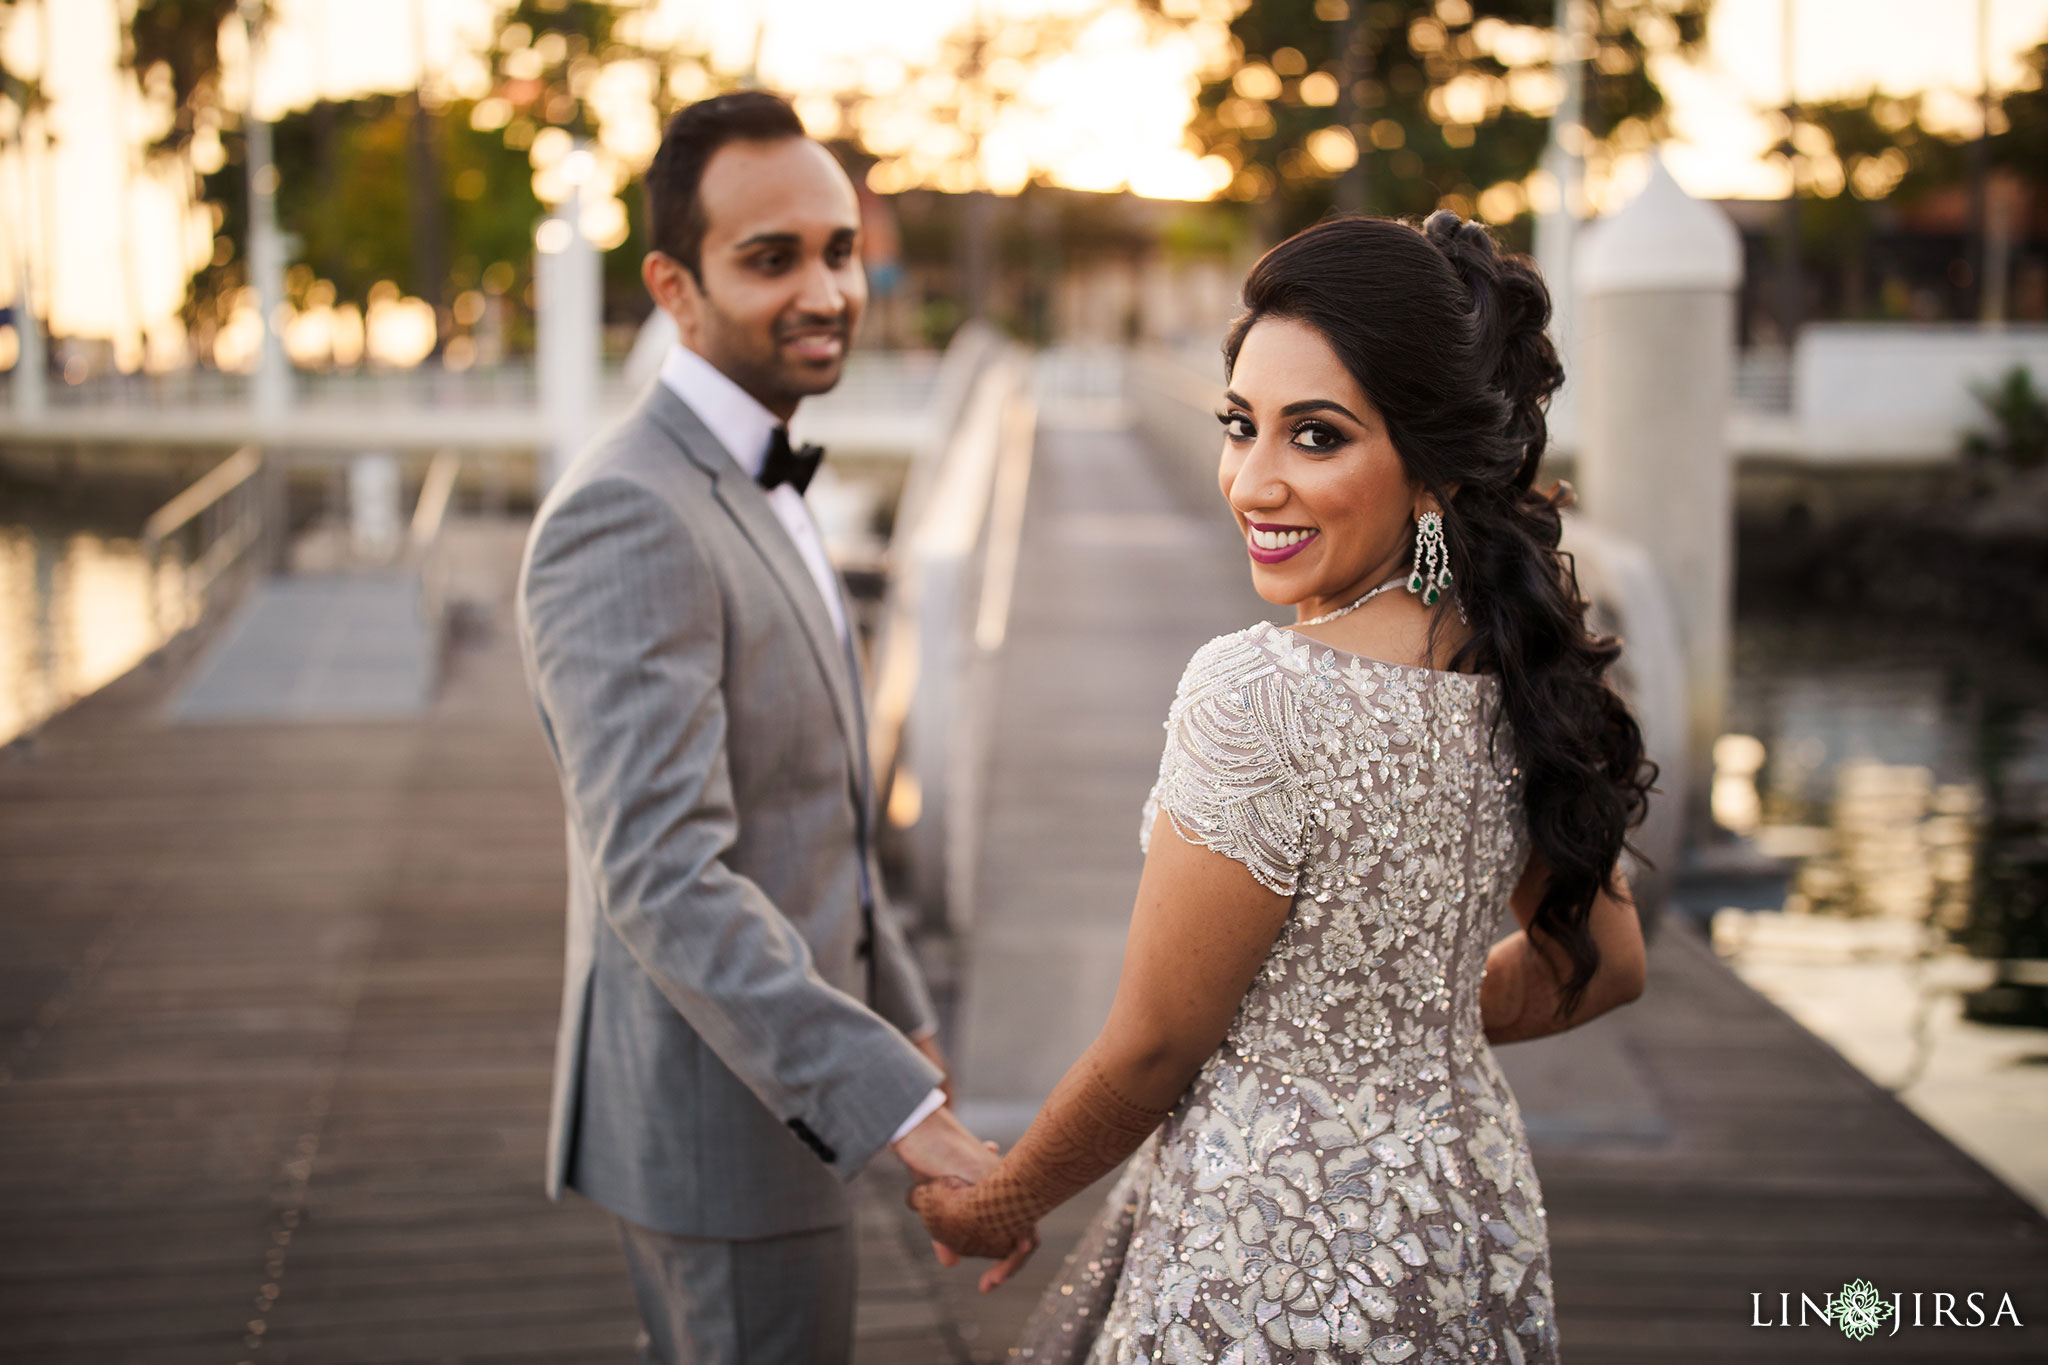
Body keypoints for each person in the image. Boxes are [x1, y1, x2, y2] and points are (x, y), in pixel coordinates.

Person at [911, 211, 1656, 1364]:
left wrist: (998, 1201)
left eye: (1314, 437)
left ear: (1431, 466)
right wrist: (1389, 1032)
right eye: (1238, 426)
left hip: (1273, 1254)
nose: (1252, 483)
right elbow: (1602, 964)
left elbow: (1155, 1046)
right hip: (1459, 1228)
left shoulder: (1256, 695)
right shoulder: (1518, 667)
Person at [514, 90, 1031, 1365]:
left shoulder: (765, 470)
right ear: (673, 287)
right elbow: (664, 873)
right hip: (721, 1132)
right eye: (770, 258)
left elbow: (817, 805)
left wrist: (897, 1010)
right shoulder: (628, 515)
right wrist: (899, 1108)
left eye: (838, 250)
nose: (823, 289)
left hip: (790, 1071)